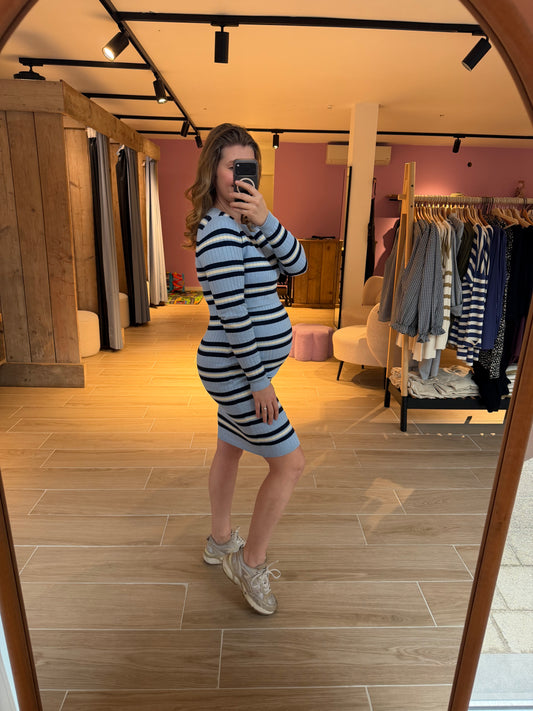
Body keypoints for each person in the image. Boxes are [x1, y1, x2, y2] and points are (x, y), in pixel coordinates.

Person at [185, 123, 308, 615]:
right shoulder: (217, 230)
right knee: (290, 464)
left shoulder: (251, 225)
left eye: (247, 167)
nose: (239, 176)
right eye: (230, 166)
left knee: (230, 448)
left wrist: (266, 218)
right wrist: (259, 382)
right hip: (236, 371)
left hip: (243, 368)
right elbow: (234, 315)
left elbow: (298, 266)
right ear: (212, 171)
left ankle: (220, 542)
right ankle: (249, 564)